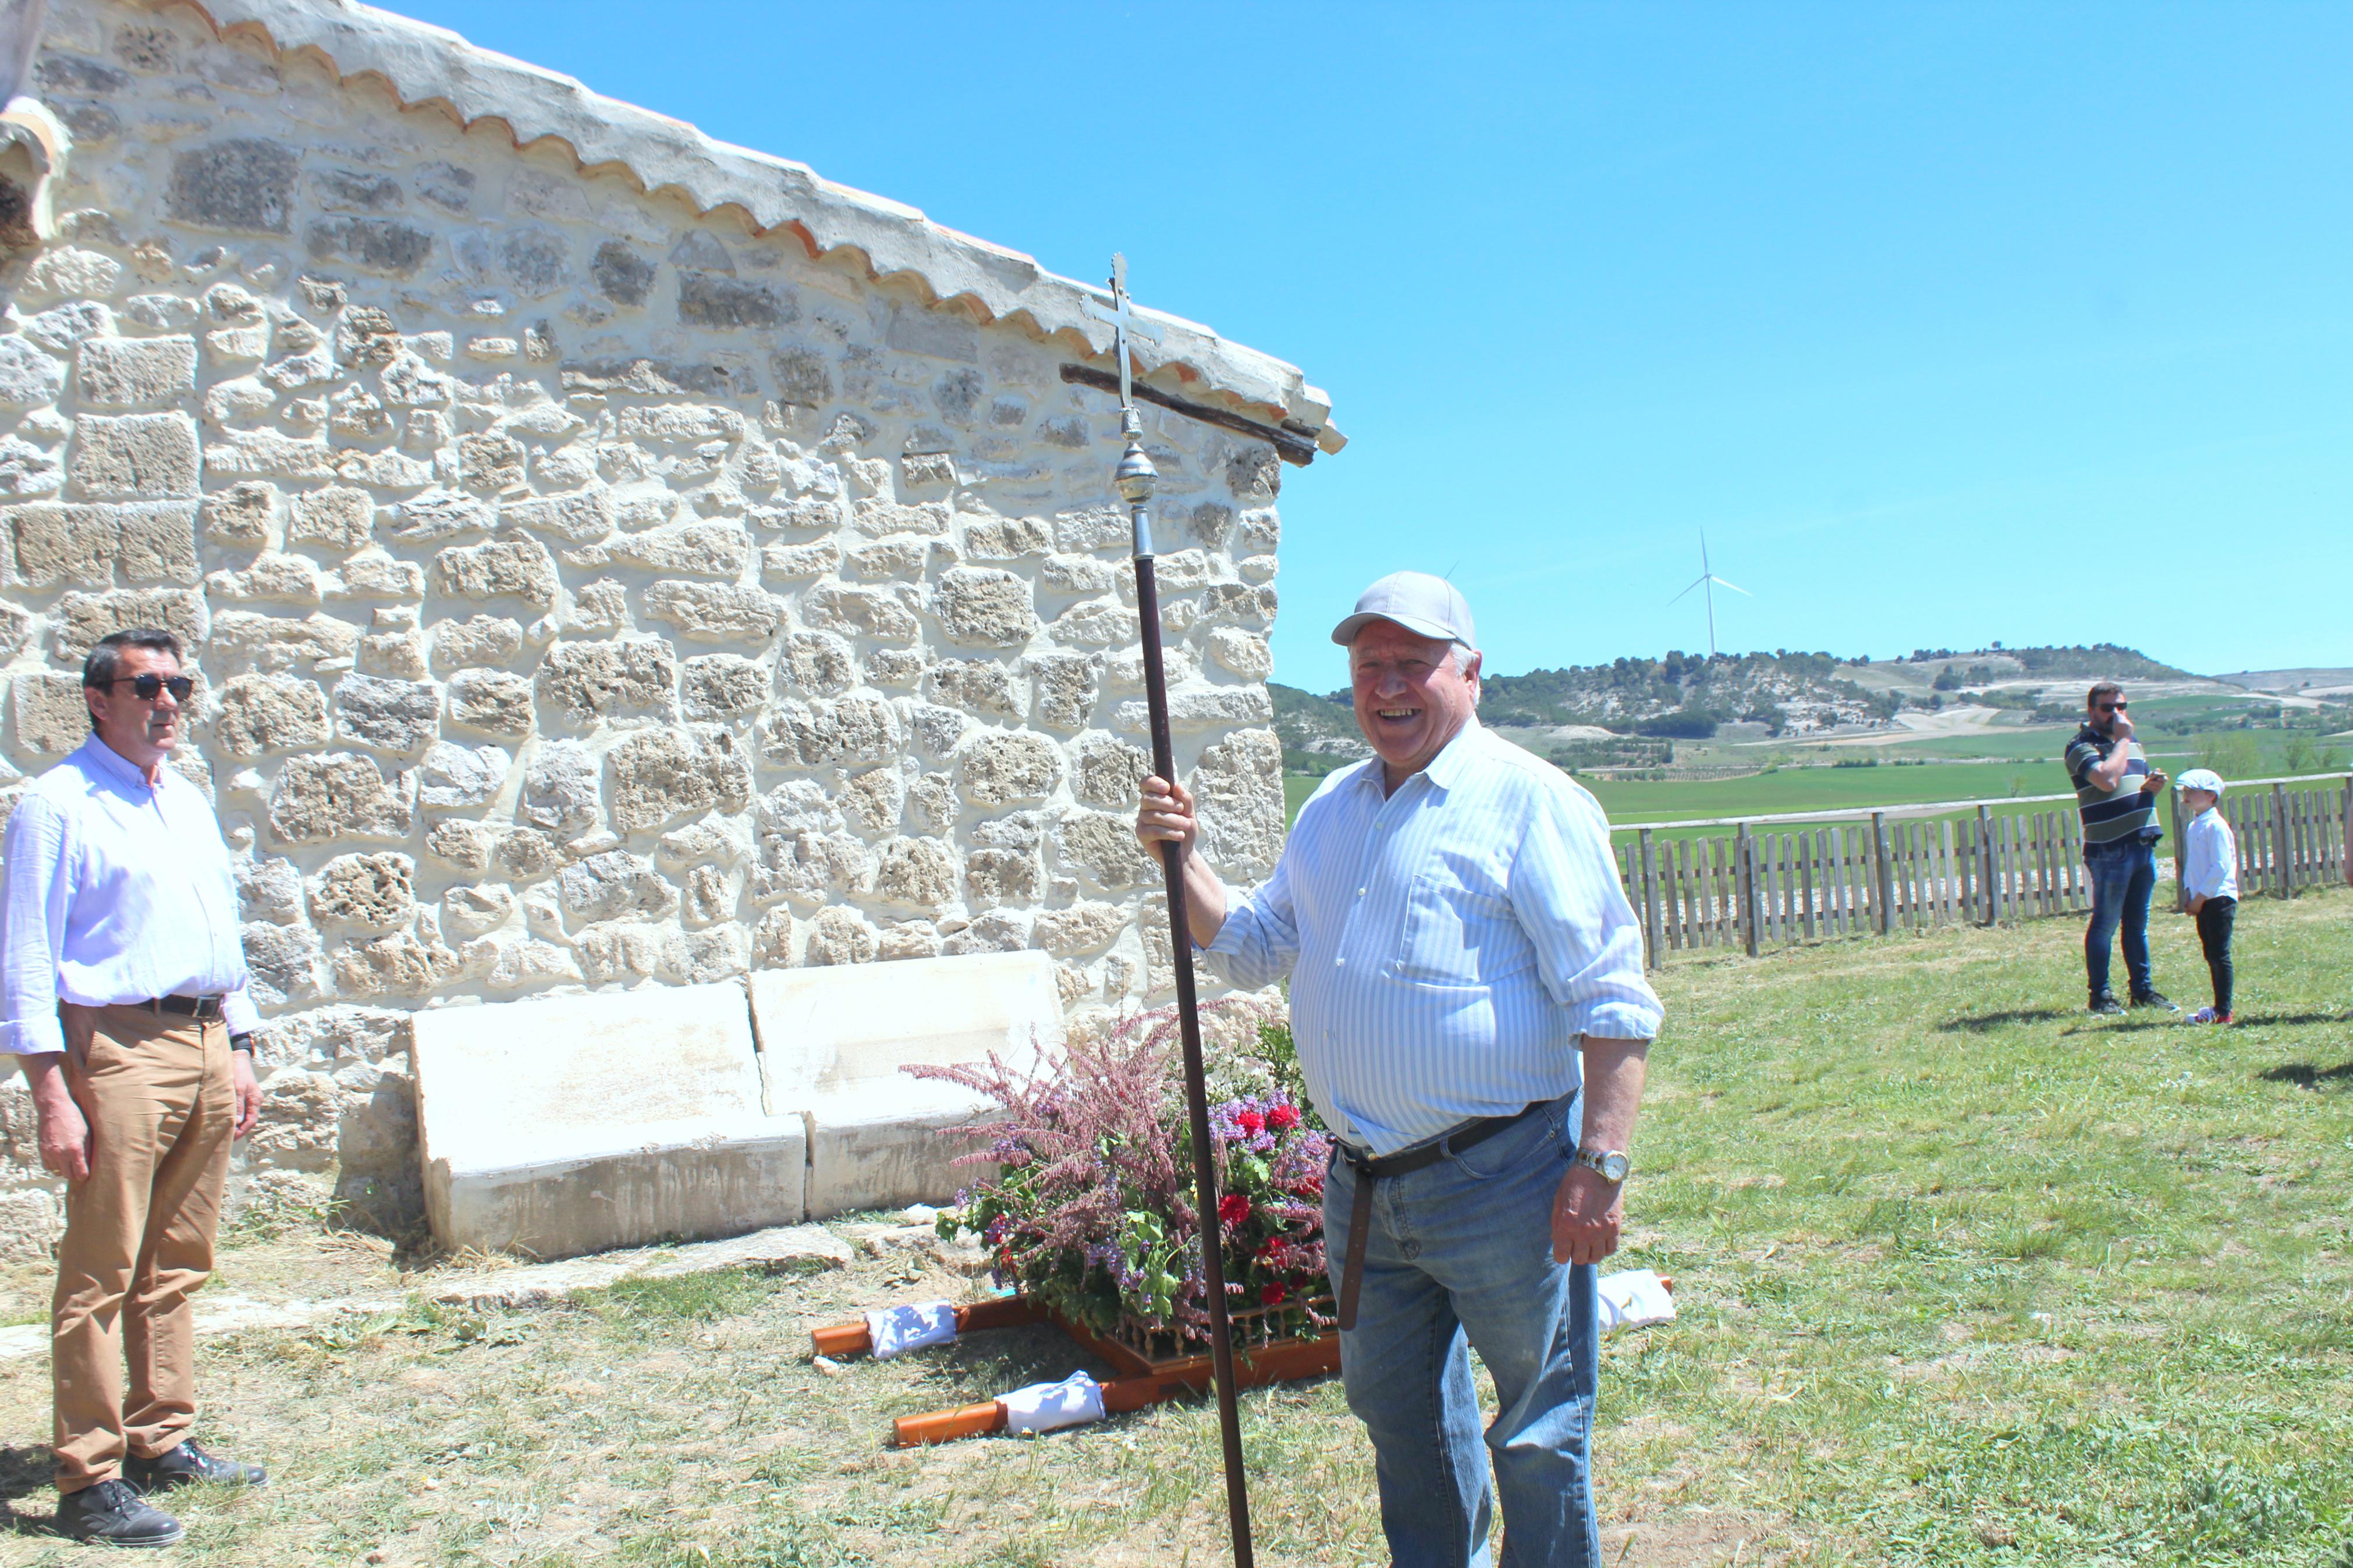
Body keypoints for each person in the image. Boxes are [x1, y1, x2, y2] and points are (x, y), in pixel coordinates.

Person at [1135, 571, 1661, 1568]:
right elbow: (1249, 945)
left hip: (1502, 1182)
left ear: (1470, 673)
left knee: (1540, 1432)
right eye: (1368, 665)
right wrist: (1183, 856)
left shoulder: (1529, 801)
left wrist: (1600, 1165)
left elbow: (1611, 999)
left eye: (1413, 663)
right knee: (1403, 1429)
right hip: (1365, 1190)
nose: (1387, 684)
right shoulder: (1334, 807)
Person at [1, 628, 268, 1548]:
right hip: (116, 1047)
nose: (167, 703)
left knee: (178, 1260)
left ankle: (162, 1436)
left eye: (179, 686)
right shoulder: (58, 803)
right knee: (101, 1269)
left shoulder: (186, 800)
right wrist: (49, 1090)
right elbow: (28, 955)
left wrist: (237, 1041)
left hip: (199, 1035)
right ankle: (88, 1474)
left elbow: (216, 928)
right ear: (97, 699)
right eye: (145, 685)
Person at [2064, 682, 2174, 1016]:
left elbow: (2127, 787)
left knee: (2137, 925)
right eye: (2107, 708)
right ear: (2091, 711)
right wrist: (2124, 739)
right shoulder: (2081, 746)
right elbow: (2106, 781)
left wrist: (2151, 789)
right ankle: (2101, 997)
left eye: (2121, 706)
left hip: (2141, 842)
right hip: (2110, 849)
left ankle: (2142, 991)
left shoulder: (2132, 744)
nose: (2116, 713)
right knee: (2105, 925)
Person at [2175, 768, 2238, 1026]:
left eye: (2193, 791)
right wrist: (2190, 894)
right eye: (2185, 791)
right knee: (2211, 952)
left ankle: (2224, 1010)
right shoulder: (2195, 825)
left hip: (2219, 898)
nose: (2186, 795)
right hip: (2202, 899)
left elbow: (2220, 867)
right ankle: (2219, 1006)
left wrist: (2201, 897)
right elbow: (2193, 866)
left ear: (2211, 796)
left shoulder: (2216, 826)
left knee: (2219, 954)